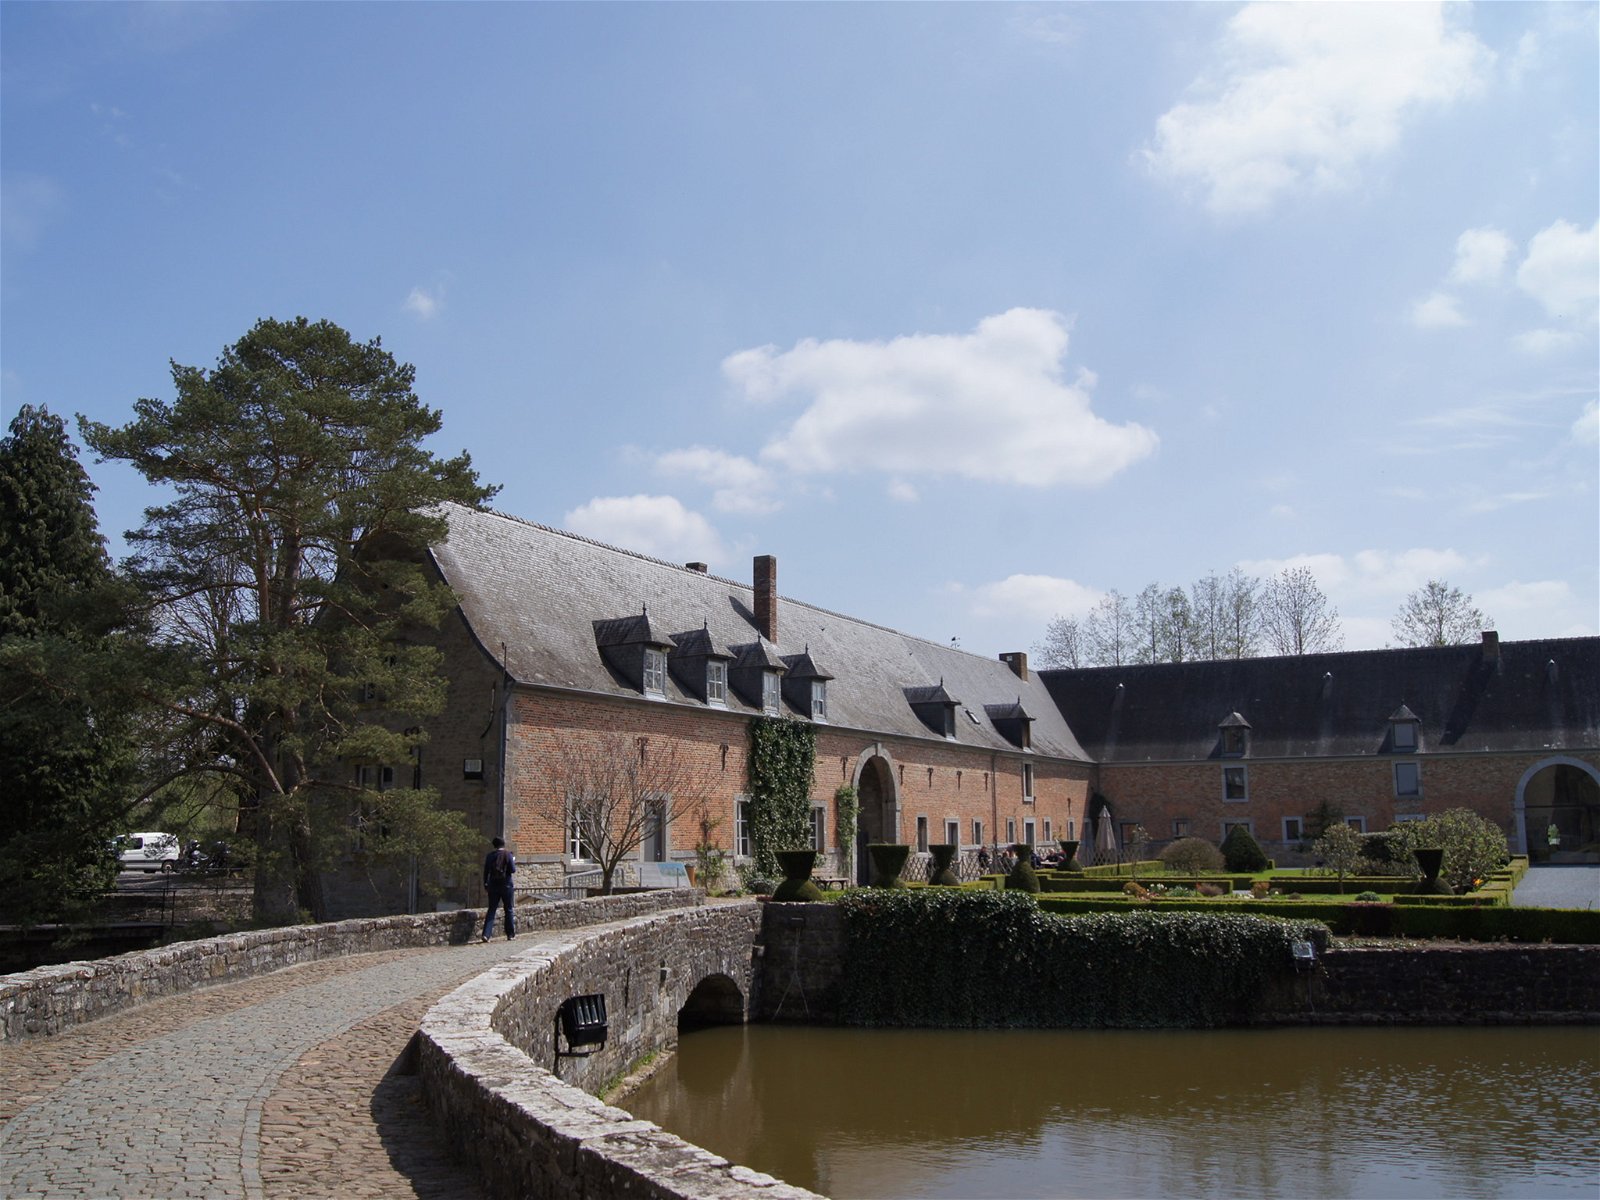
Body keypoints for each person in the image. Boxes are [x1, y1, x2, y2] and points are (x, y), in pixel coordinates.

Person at [480, 836, 517, 942]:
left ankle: (486, 934)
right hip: (506, 885)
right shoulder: (508, 854)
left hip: (493, 885)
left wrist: (486, 884)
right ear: (503, 844)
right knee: (508, 909)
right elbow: (513, 870)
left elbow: (486, 871)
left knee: (491, 910)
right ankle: (510, 934)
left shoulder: (490, 856)